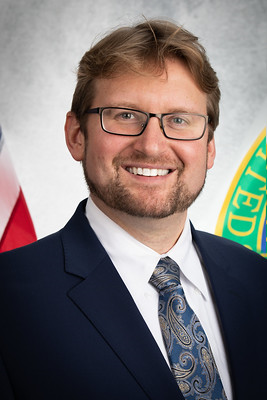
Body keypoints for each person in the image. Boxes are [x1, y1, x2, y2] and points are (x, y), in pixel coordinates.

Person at [0, 19, 266, 400]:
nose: (153, 146)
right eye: (125, 115)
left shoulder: (258, 280)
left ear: (209, 147)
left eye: (179, 120)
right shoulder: (9, 301)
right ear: (77, 136)